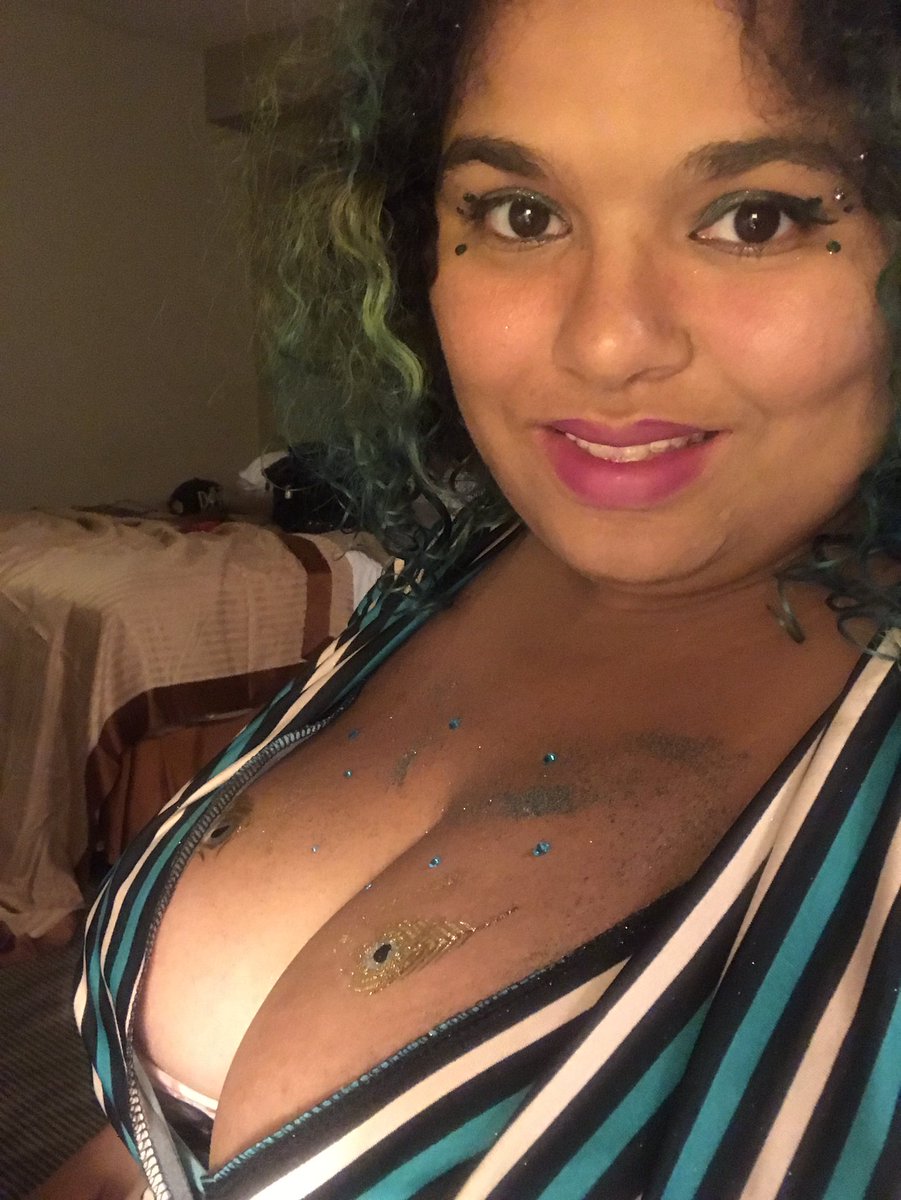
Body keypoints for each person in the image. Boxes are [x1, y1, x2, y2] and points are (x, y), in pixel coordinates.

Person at [47, 0, 901, 1195]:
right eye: (521, 215)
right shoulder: (448, 567)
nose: (605, 343)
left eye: (752, 216)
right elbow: (140, 1150)